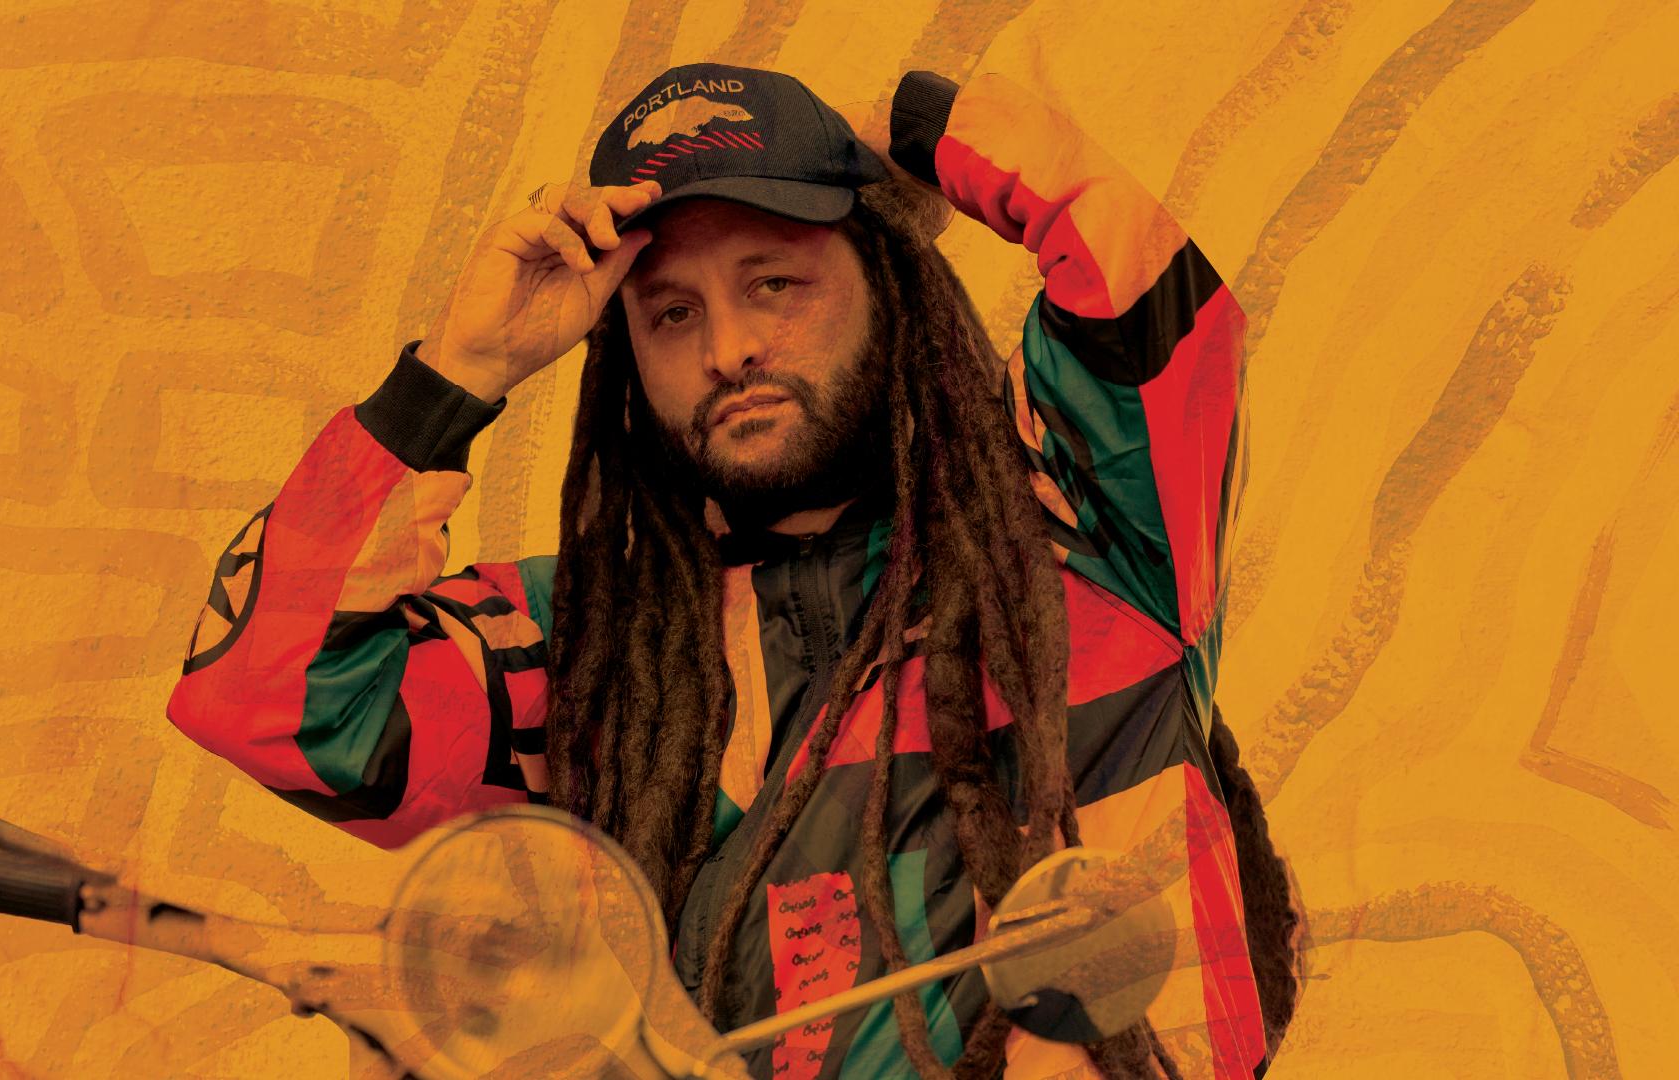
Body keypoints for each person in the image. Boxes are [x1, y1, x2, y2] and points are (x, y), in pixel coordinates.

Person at [168, 59, 1300, 1079]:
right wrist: (458, 369)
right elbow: (268, 695)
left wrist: (900, 129)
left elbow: (1140, 282)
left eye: (774, 283)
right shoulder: (588, 649)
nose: (728, 349)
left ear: (889, 281)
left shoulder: (1092, 532)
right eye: (671, 312)